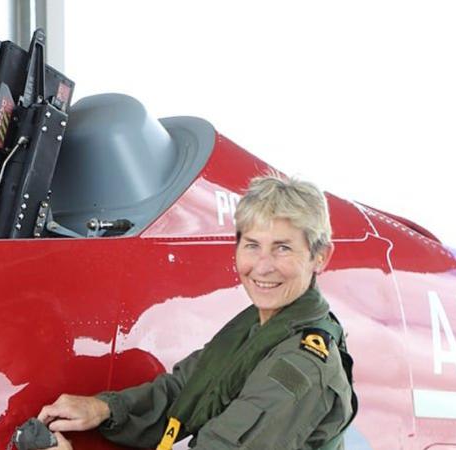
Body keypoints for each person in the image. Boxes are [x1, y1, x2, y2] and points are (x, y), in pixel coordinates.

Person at [37, 173, 357, 450]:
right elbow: (185, 390)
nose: (262, 266)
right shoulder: (260, 326)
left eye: (282, 248)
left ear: (320, 257)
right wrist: (104, 409)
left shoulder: (298, 368)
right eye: (252, 245)